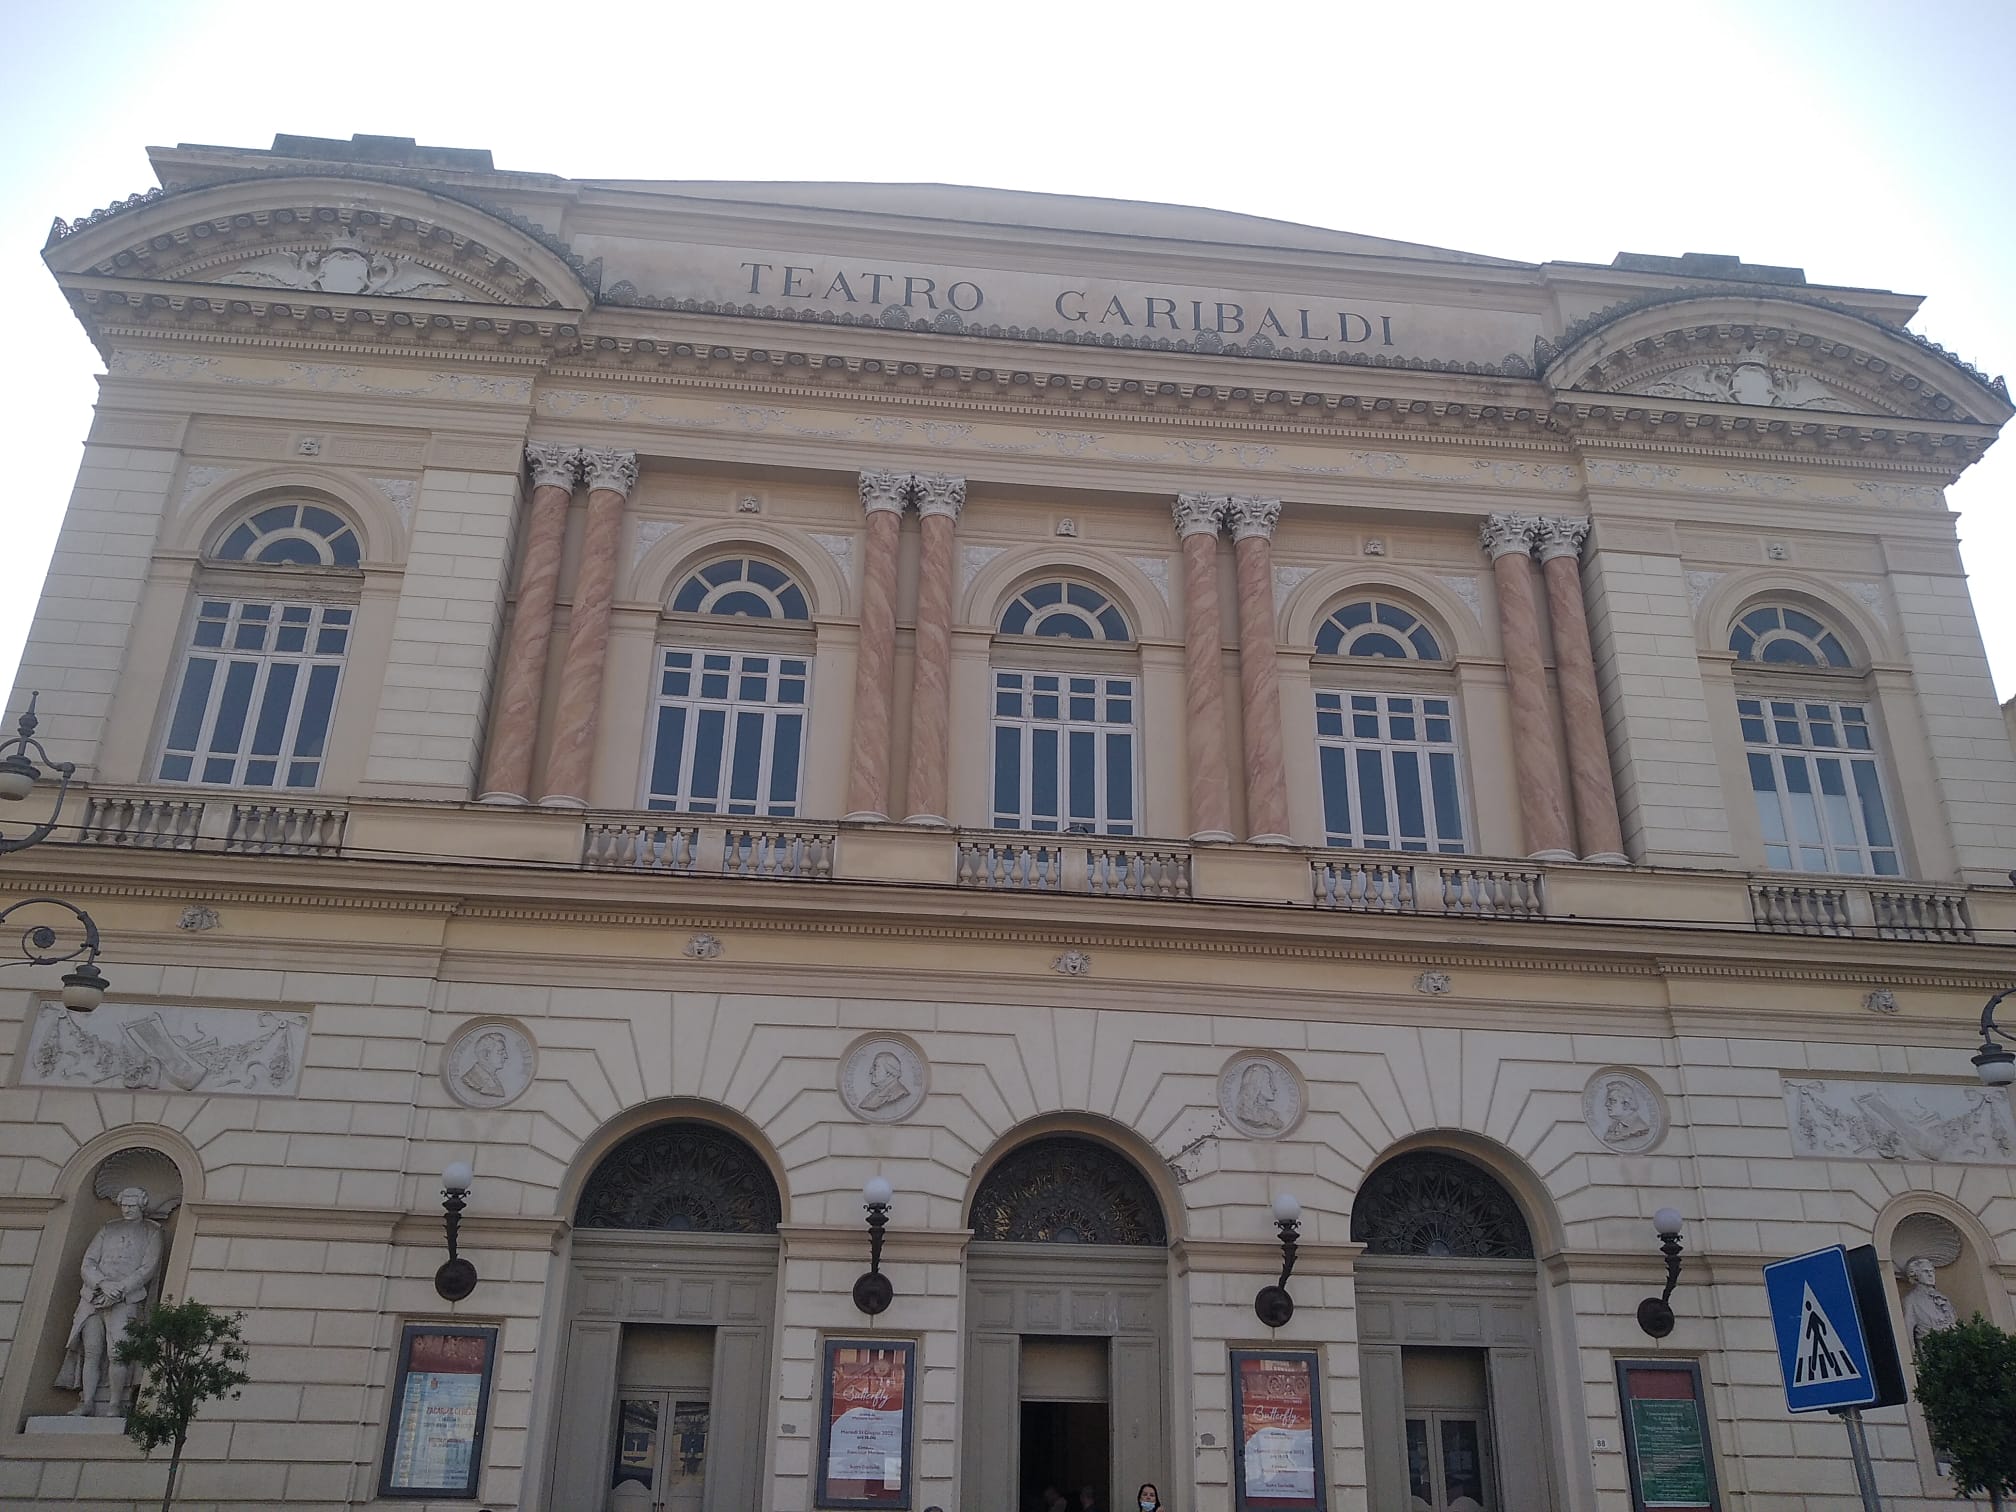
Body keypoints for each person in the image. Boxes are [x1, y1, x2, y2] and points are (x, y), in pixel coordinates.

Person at [56, 1186, 163, 1415]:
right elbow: (88, 1262)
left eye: (132, 1205)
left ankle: (115, 1403)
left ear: (141, 1206)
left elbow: (148, 1268)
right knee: (92, 1351)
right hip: (94, 1296)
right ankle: (87, 1402)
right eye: (124, 1205)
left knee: (118, 1352)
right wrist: (103, 1284)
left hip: (126, 1299)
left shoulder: (152, 1231)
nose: (127, 1209)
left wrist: (119, 1289)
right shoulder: (108, 1228)